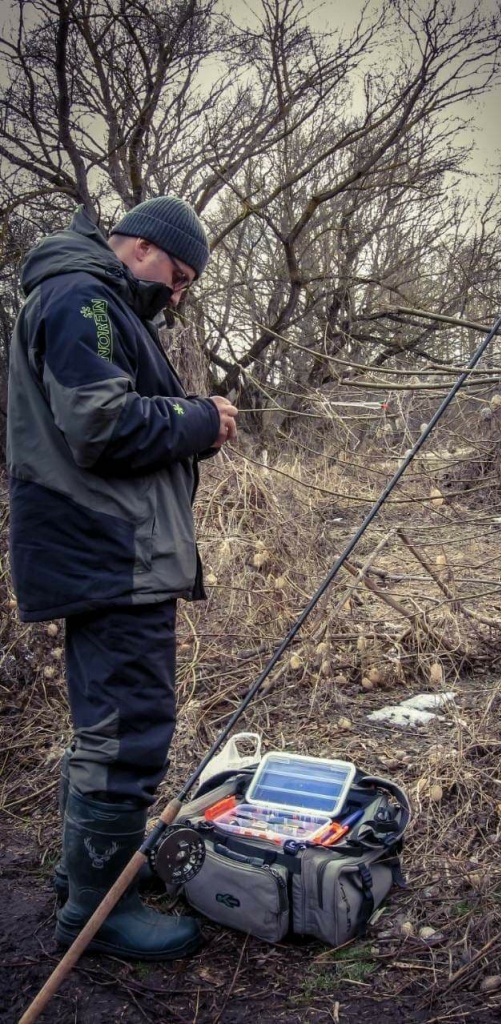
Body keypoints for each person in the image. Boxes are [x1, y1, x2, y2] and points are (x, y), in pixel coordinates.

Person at [6, 195, 238, 960]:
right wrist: (199, 419)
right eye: (176, 278)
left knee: (110, 723)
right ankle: (98, 915)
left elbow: (105, 418)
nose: (176, 297)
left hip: (107, 550)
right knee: (127, 730)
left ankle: (89, 881)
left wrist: (188, 427)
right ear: (140, 248)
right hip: (110, 554)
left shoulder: (82, 296)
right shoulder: (85, 299)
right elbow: (100, 426)